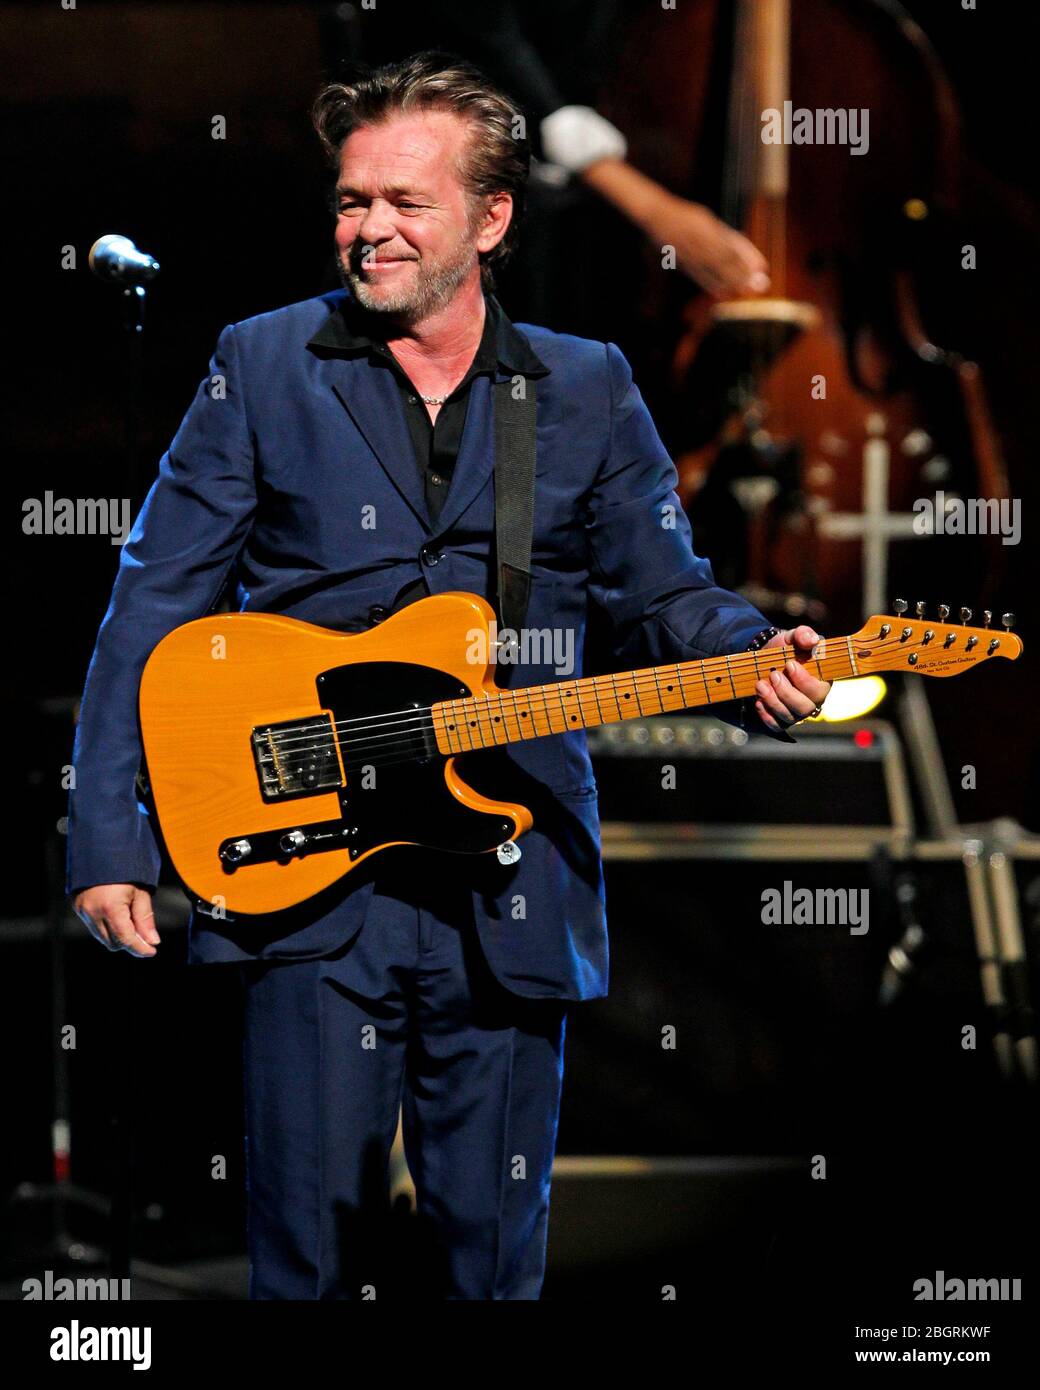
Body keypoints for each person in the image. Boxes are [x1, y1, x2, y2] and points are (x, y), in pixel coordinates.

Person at [68, 52, 831, 1300]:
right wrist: (109, 834)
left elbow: (660, 590)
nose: (366, 228)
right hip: (306, 868)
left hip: (509, 870)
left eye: (402, 203)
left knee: (493, 1260)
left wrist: (750, 657)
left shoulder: (583, 386)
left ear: (490, 220)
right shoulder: (262, 364)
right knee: (306, 1259)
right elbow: (151, 604)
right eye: (351, 200)